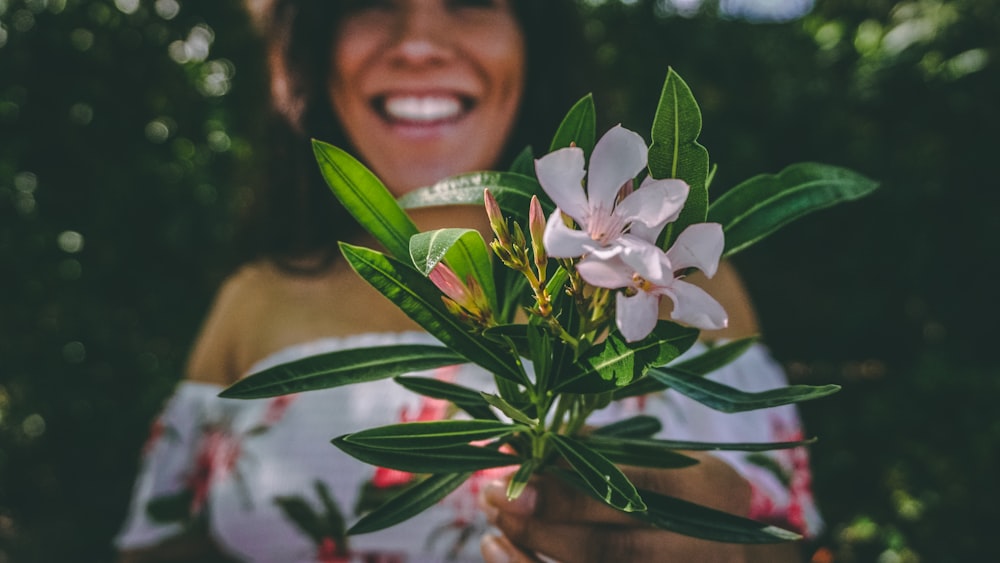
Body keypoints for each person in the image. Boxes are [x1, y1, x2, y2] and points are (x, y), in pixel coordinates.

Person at [115, 1, 821, 561]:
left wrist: (737, 553)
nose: (418, 40)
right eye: (369, 2)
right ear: (320, 49)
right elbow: (159, 544)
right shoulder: (253, 300)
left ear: (531, 41)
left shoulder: (682, 275)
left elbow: (793, 541)